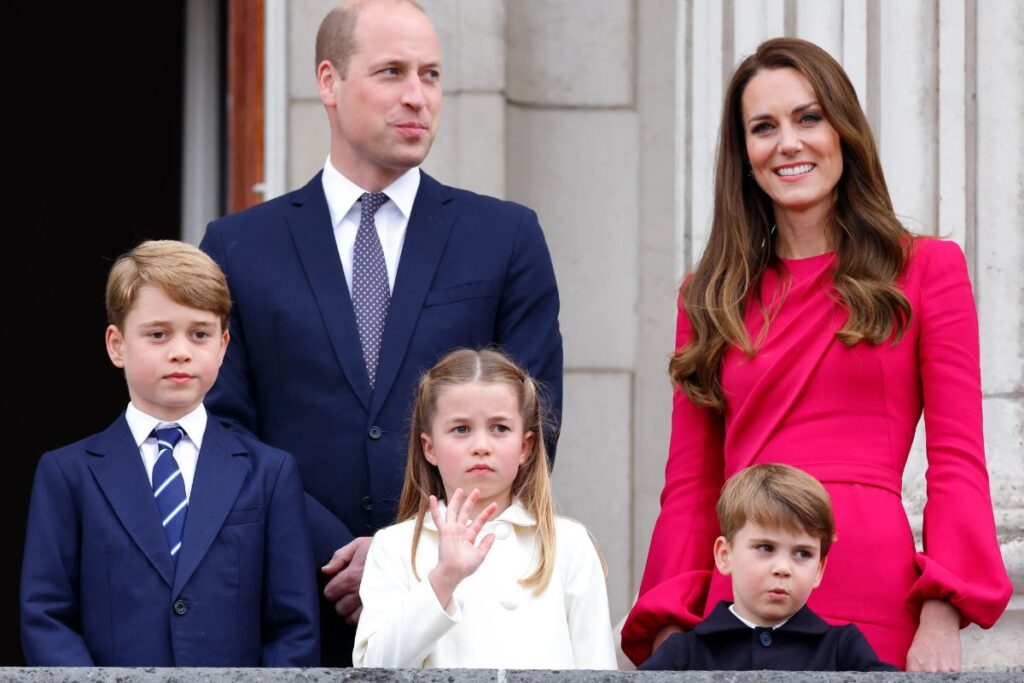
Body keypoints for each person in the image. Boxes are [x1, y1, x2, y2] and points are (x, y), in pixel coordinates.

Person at [622, 37, 1011, 672]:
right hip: (743, 595)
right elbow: (691, 484)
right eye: (764, 127)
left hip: (872, 589)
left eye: (809, 118)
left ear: (843, 131)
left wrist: (943, 612)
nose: (789, 143)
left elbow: (958, 460)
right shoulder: (709, 297)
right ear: (744, 155)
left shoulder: (927, 270)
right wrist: (670, 624)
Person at [200, 0, 562, 664]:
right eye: (393, 72)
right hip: (288, 605)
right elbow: (220, 431)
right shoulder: (239, 246)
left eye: (431, 75)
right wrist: (328, 551)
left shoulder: (505, 239)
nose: (417, 97)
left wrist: (404, 556)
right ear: (329, 83)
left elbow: (533, 420)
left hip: (461, 610)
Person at [19, 241, 319, 666]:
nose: (180, 350)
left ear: (223, 345)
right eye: (158, 334)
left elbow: (293, 626)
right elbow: (46, 616)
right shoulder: (67, 474)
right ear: (116, 344)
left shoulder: (269, 473)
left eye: (200, 334)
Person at [352, 349, 615, 668]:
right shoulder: (395, 547)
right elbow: (373, 669)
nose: (481, 445)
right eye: (461, 429)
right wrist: (443, 580)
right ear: (429, 448)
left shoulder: (569, 545)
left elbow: (598, 669)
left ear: (525, 447)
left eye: (500, 428)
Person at [641, 464, 896, 671]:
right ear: (725, 555)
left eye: (802, 553)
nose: (783, 568)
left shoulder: (842, 649)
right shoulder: (685, 652)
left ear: (819, 569)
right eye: (765, 548)